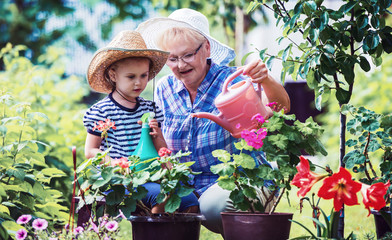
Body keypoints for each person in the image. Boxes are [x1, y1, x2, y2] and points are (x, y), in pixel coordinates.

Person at [136, 8, 291, 234]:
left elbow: (279, 109)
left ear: (206, 48)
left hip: (238, 180)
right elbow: (162, 147)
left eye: (187, 55)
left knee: (214, 206)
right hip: (188, 186)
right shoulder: (164, 90)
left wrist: (265, 79)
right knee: (143, 194)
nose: (180, 65)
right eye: (172, 58)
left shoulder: (234, 81)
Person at [83, 30, 199, 213]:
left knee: (191, 200)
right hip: (120, 179)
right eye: (131, 77)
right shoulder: (100, 111)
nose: (139, 83)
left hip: (149, 175)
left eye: (143, 76)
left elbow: (161, 149)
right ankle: (152, 231)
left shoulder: (150, 109)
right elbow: (90, 151)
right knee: (161, 195)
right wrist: (115, 163)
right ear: (113, 75)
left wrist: (157, 135)